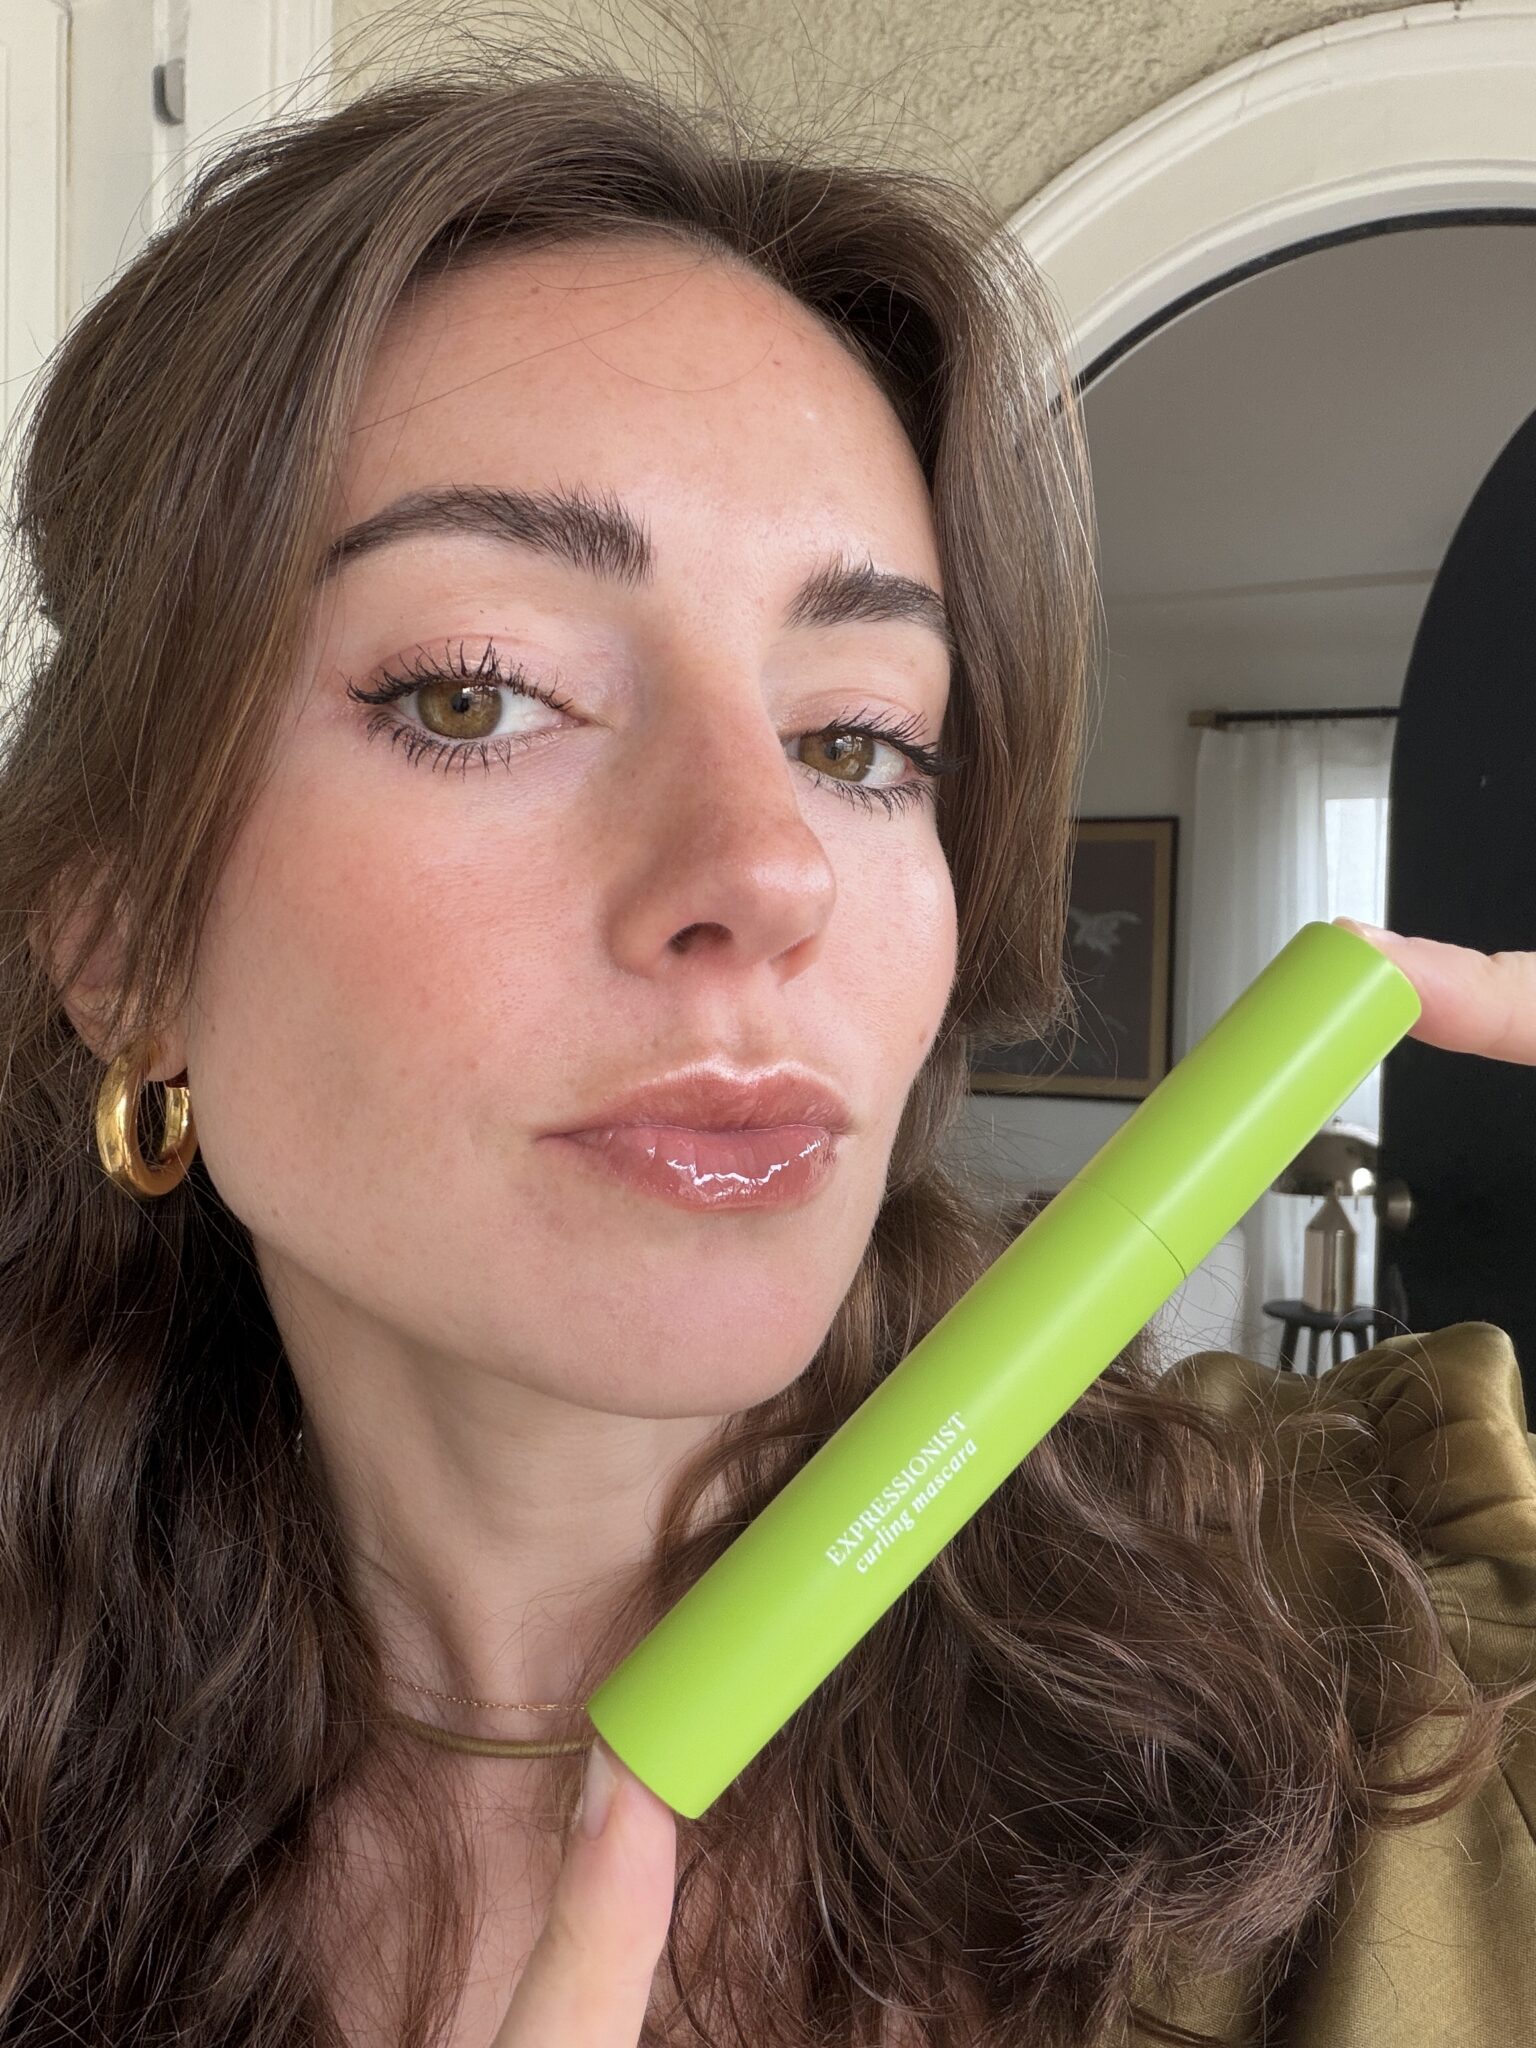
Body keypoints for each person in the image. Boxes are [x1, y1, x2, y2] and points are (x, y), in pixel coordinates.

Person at [0, 34, 1531, 2048]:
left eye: (857, 740)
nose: (768, 865)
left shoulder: (1401, 1725)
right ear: (121, 948)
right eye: (480, 693)